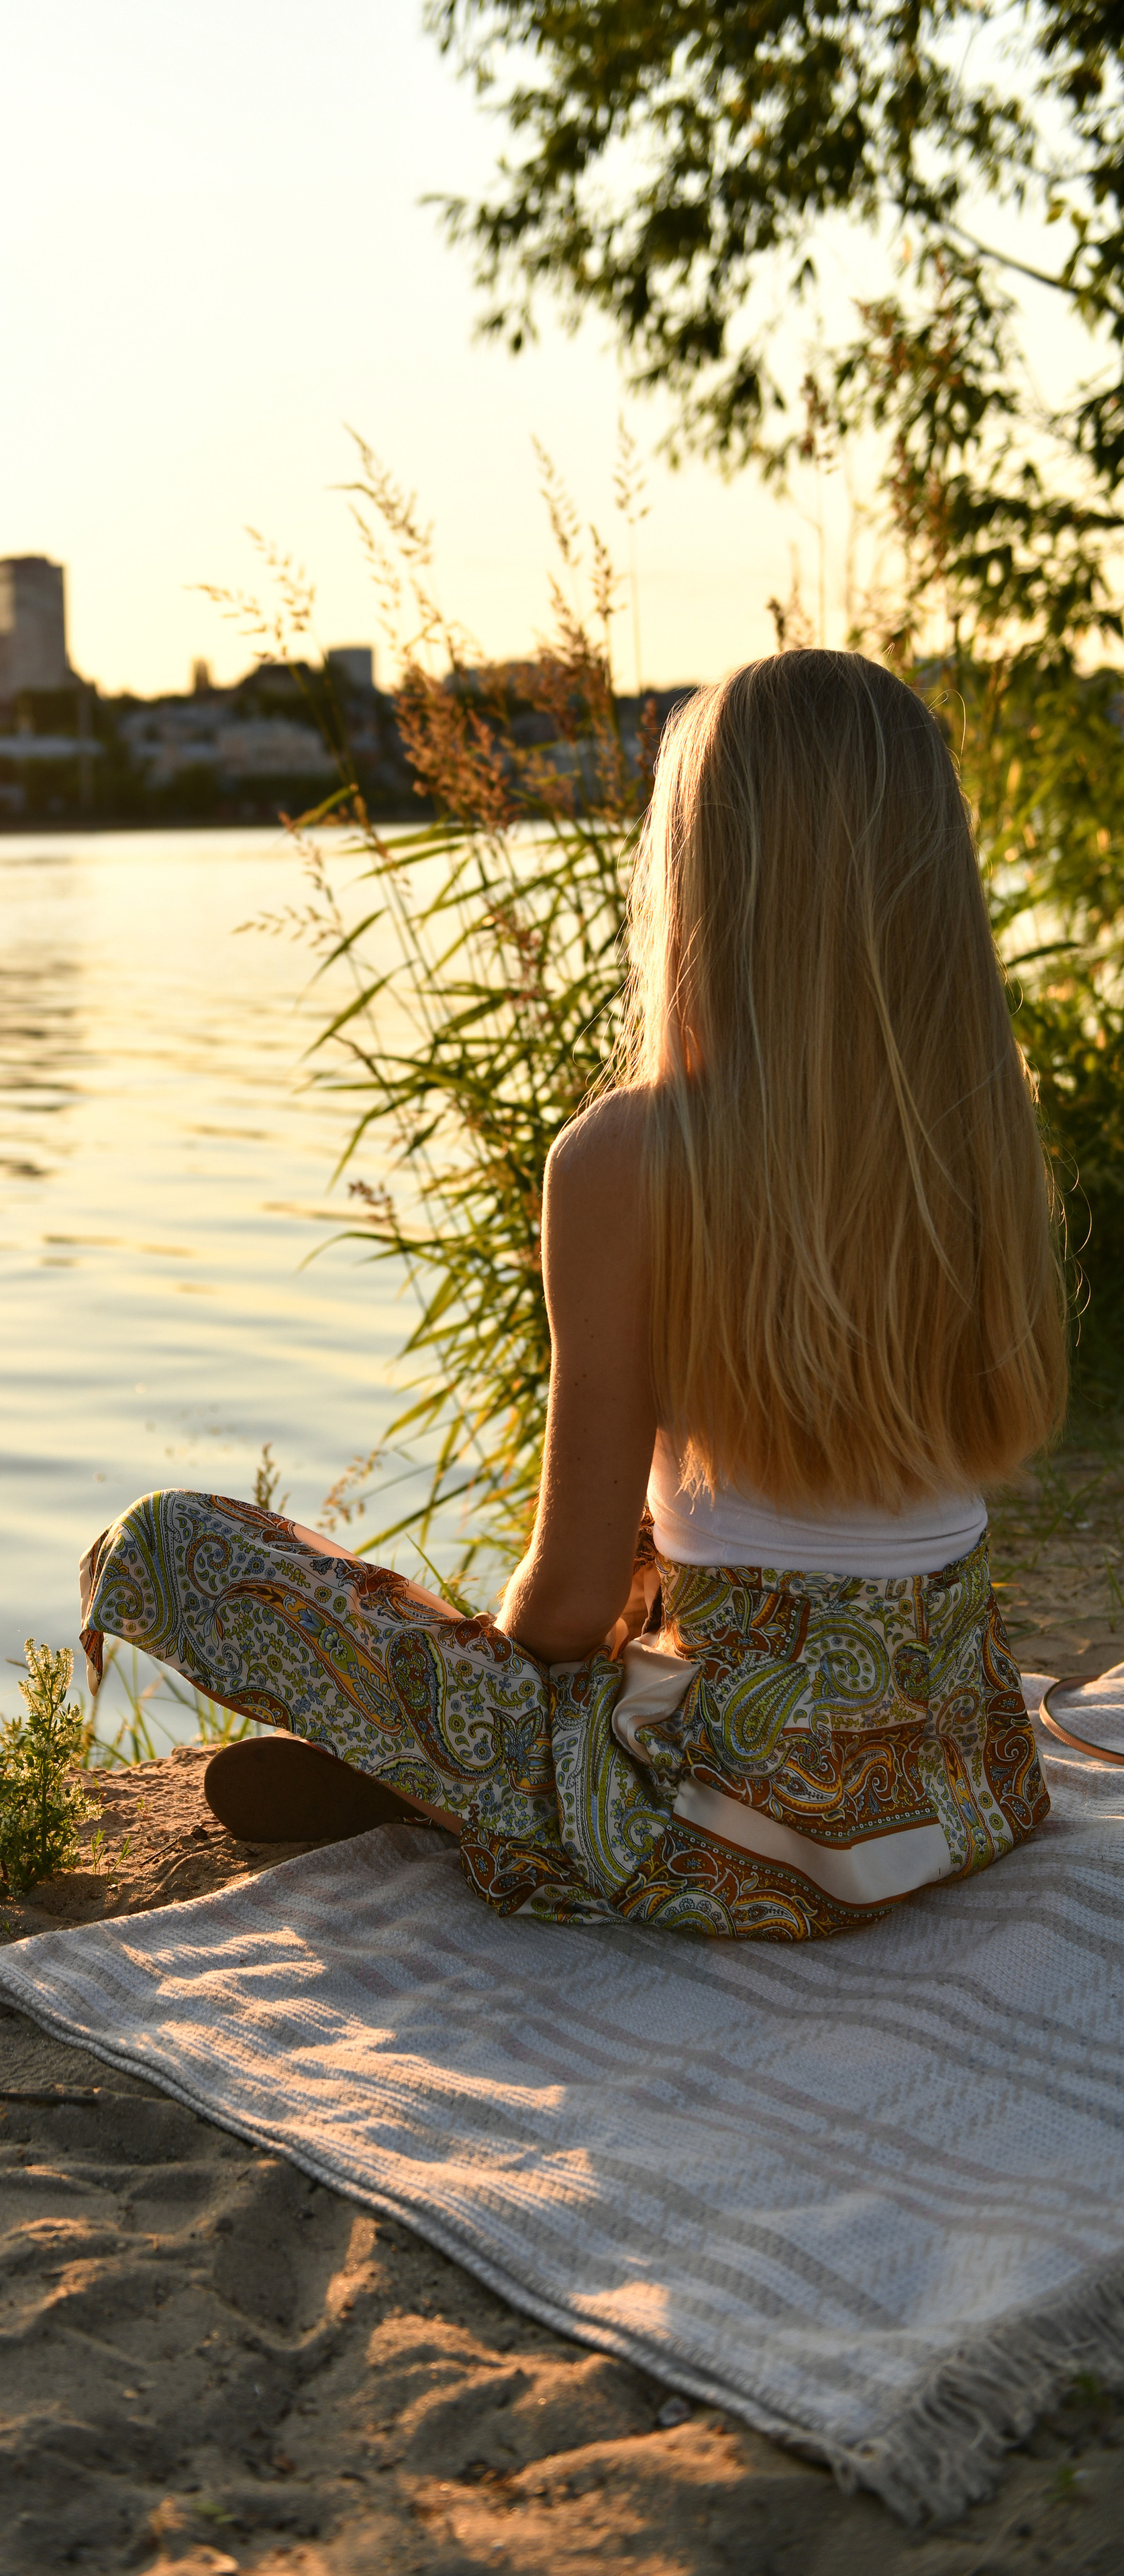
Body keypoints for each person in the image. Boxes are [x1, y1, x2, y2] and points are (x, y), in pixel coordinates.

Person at [79, 651, 1066, 1939]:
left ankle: (473, 1781)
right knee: (674, 1562)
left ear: (705, 877)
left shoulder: (627, 1158)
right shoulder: (980, 1136)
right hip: (961, 1785)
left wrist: (489, 1688)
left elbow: (567, 1605)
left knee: (182, 1542)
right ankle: (470, 1776)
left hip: (732, 1828)